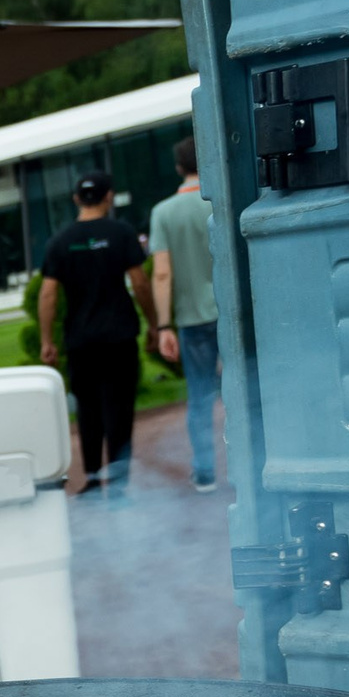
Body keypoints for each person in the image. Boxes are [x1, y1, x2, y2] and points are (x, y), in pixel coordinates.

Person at [37, 171, 152, 498]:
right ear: (109, 196)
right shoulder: (121, 232)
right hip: (119, 336)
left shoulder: (60, 241)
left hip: (80, 340)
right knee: (119, 411)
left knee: (88, 411)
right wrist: (155, 324)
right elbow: (140, 282)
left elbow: (48, 293)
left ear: (76, 199)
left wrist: (47, 340)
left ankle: (90, 479)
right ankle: (118, 485)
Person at [148, 137, 222, 492]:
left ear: (179, 167)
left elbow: (162, 273)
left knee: (201, 397)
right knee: (251, 389)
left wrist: (163, 325)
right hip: (232, 312)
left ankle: (205, 471)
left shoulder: (163, 212)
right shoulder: (221, 200)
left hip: (192, 319)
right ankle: (257, 463)